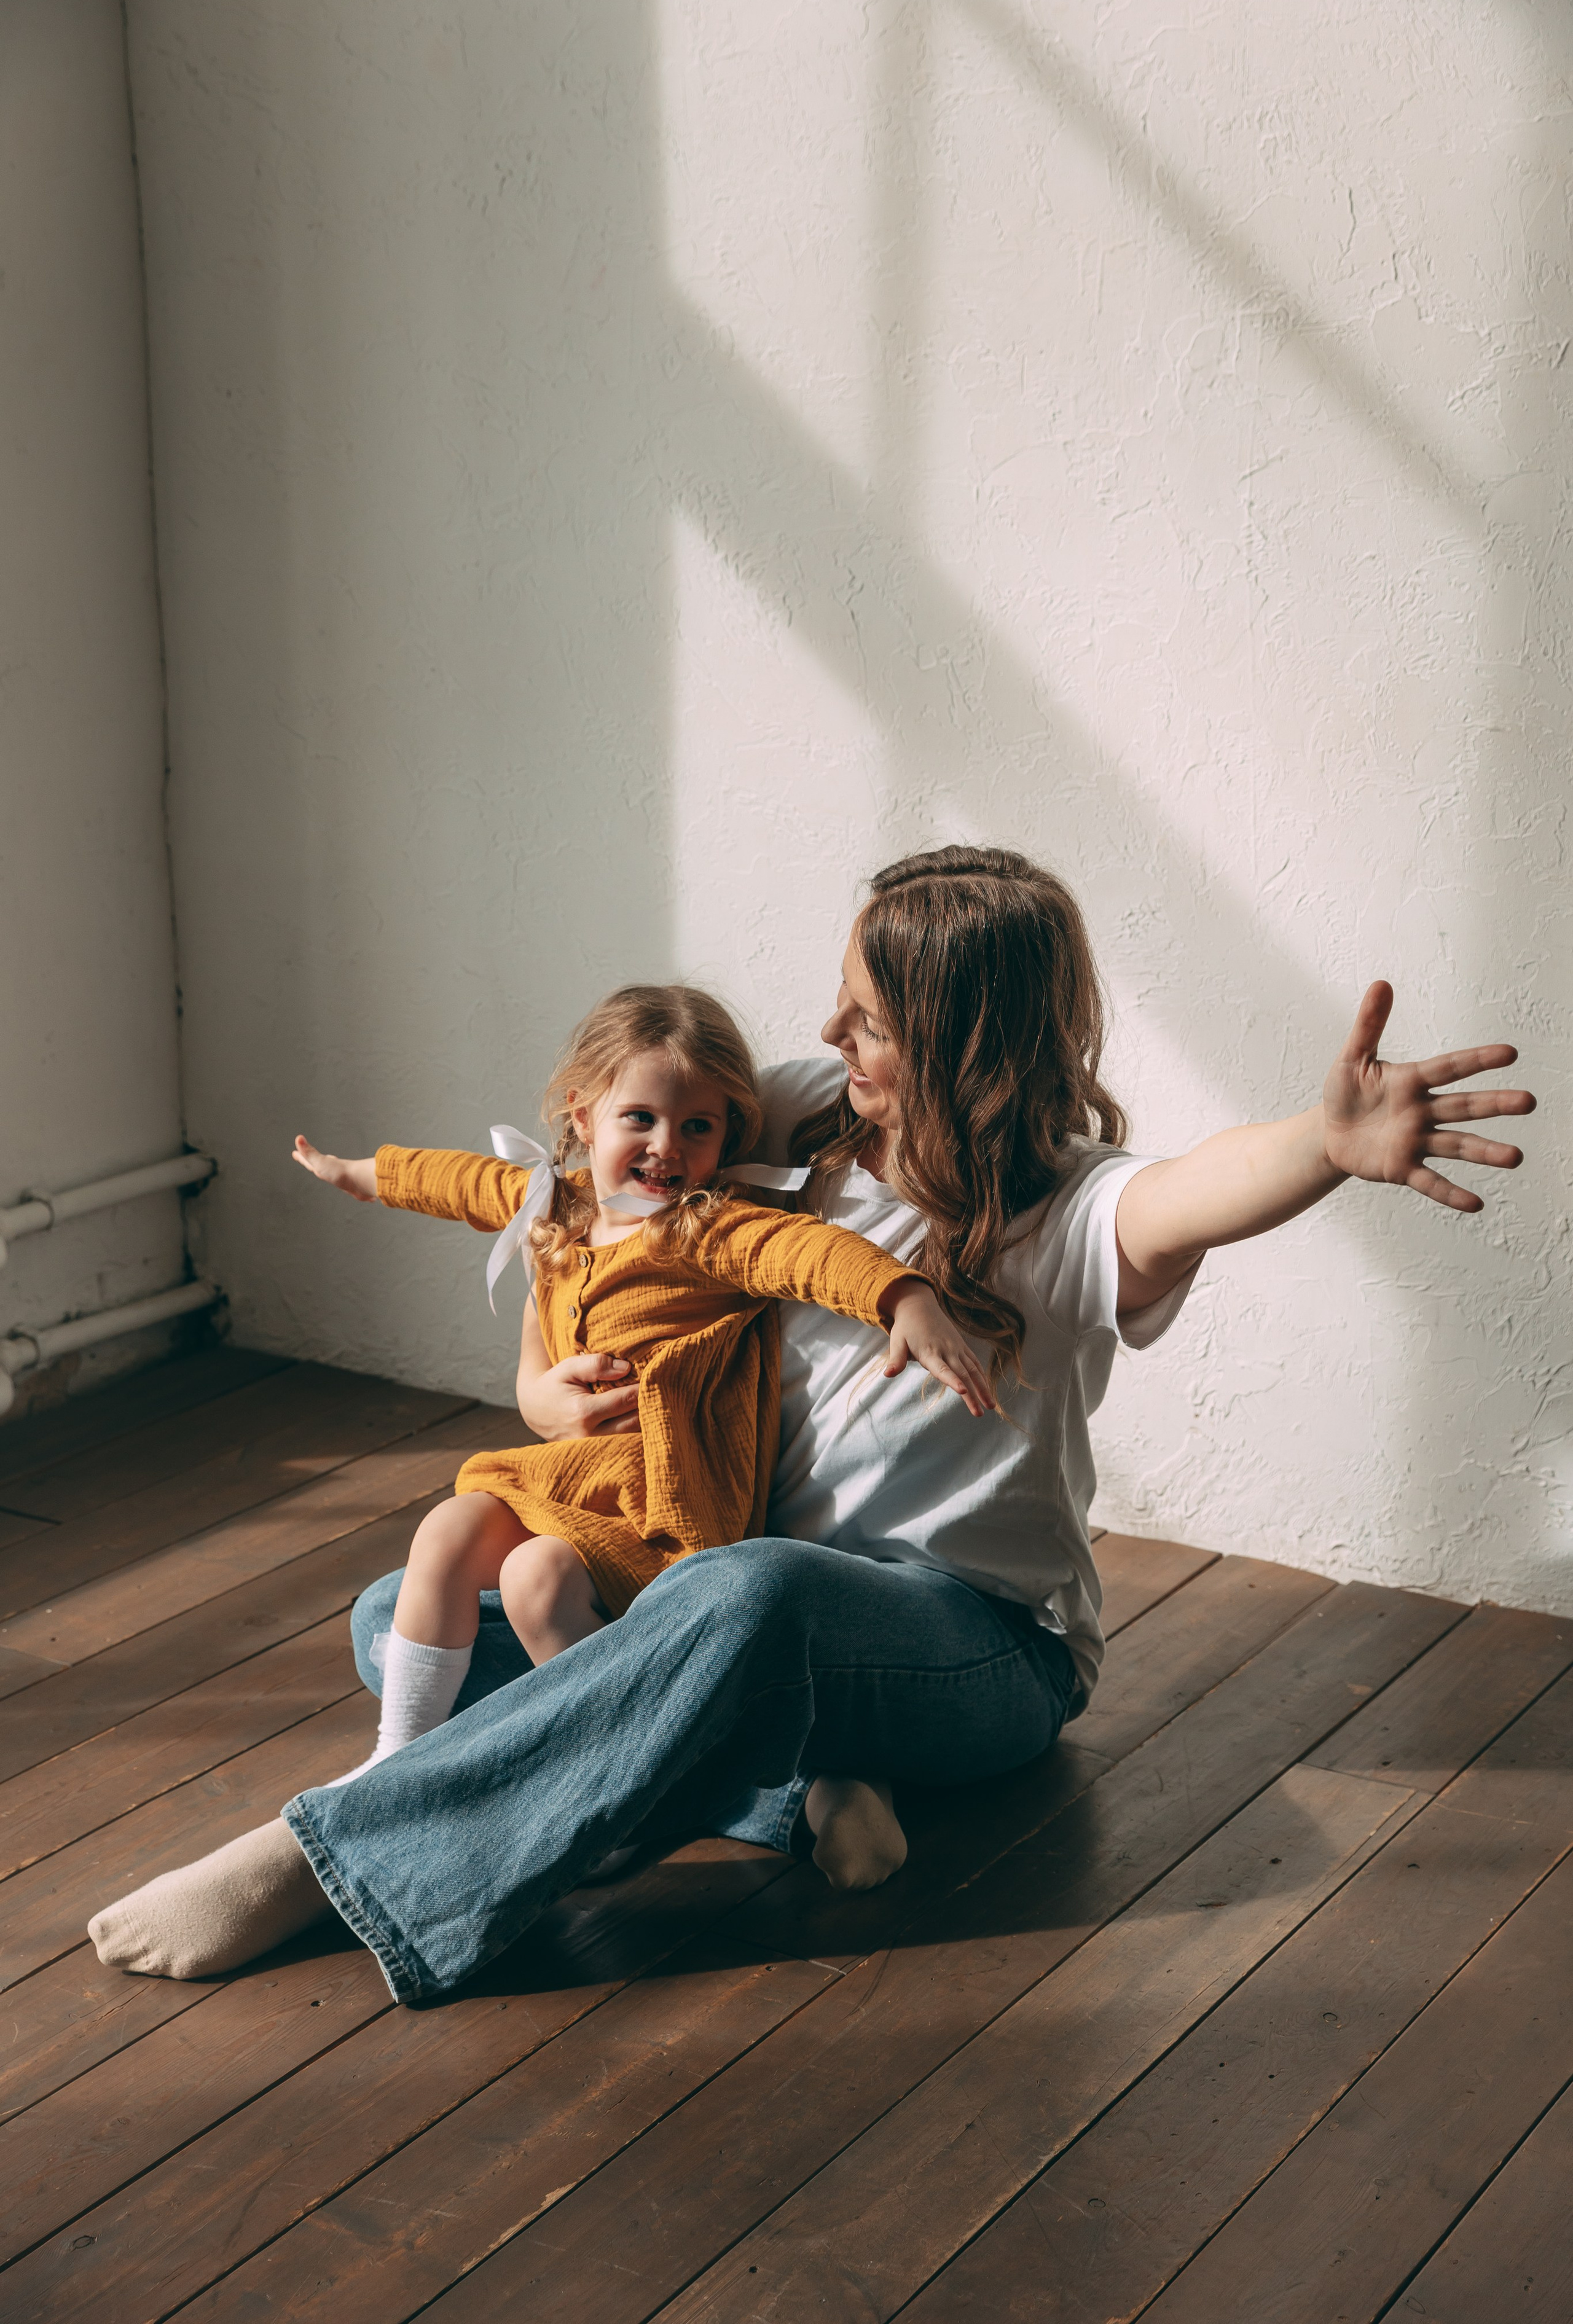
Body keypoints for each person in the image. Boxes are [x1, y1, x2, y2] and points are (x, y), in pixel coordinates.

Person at [87, 846, 1534, 2001]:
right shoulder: (797, 1119)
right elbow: (576, 1198)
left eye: (868, 1019)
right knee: (402, 1614)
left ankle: (337, 1859)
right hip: (719, 1598)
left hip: (974, 1653)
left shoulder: (1064, 1206)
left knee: (745, 1595)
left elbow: (1186, 1192)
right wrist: (540, 1386)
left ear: (960, 1041)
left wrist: (1321, 1147)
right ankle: (796, 1787)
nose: (829, 1032)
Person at [289, 982, 991, 1785]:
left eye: (697, 1127)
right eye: (640, 1119)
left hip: (662, 1504)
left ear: (727, 1134)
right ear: (584, 1116)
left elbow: (809, 1254)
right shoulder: (558, 1206)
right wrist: (359, 1173)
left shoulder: (708, 1229)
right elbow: (464, 1182)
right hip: (578, 1485)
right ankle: (398, 1760)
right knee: (452, 1536)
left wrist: (905, 1297)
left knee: (530, 1579)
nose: (667, 1147)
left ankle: (624, 1772)